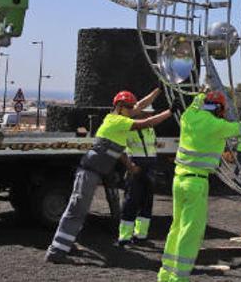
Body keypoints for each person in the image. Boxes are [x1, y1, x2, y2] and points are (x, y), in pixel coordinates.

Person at [46, 88, 171, 263]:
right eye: (129, 107)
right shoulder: (117, 121)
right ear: (120, 107)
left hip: (93, 173)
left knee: (77, 211)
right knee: (76, 211)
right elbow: (147, 122)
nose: (133, 110)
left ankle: (65, 244)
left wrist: (158, 89)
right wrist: (170, 111)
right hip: (89, 173)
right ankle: (57, 251)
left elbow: (140, 106)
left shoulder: (118, 120)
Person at [158, 90, 241, 282]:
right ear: (219, 109)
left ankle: (165, 274)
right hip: (196, 183)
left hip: (179, 179)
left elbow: (196, 104)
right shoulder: (216, 125)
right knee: (190, 231)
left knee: (176, 226)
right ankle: (179, 278)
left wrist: (202, 93)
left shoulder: (188, 116)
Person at [118, 113, 159, 246]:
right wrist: (130, 166)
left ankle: (141, 235)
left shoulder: (150, 128)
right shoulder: (130, 127)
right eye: (148, 113)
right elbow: (120, 148)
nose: (150, 115)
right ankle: (124, 237)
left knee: (147, 203)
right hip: (136, 167)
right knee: (131, 202)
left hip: (150, 167)